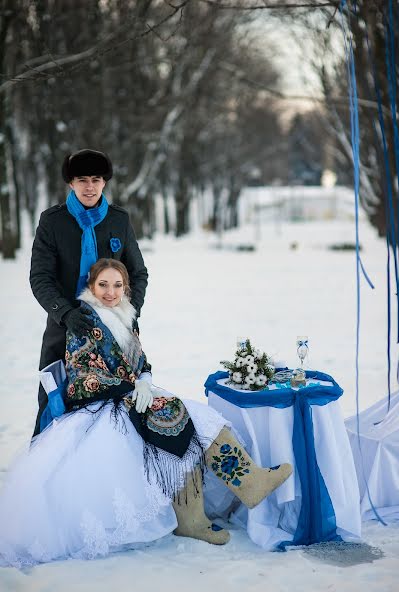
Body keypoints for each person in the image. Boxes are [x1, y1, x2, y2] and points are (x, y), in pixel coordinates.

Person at [0, 259, 292, 568]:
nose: (110, 293)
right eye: (103, 285)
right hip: (100, 404)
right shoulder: (83, 320)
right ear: (91, 285)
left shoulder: (128, 317)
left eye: (117, 286)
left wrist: (145, 382)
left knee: (196, 416)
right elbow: (83, 375)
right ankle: (190, 520)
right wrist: (128, 388)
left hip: (135, 395)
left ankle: (250, 482)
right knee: (167, 423)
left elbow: (141, 363)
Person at [30, 149, 148, 437]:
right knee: (54, 402)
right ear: (70, 183)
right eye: (82, 179)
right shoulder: (52, 221)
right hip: (63, 328)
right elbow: (40, 277)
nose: (90, 186)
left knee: (118, 405)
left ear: (105, 182)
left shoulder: (119, 219)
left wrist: (129, 314)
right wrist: (65, 313)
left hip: (115, 327)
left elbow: (138, 273)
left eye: (96, 179)